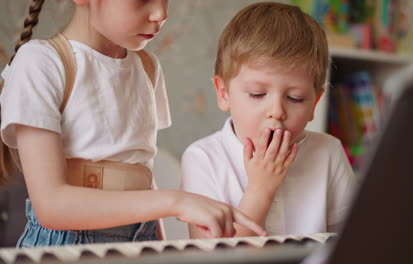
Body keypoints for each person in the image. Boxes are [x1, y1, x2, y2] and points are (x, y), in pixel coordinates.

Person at [0, 0, 265, 247]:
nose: (161, 14)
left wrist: (161, 247)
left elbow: (142, 175)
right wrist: (177, 202)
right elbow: (51, 206)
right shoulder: (41, 62)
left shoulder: (147, 67)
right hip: (66, 247)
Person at [181, 2, 355, 238]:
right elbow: (215, 258)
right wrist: (261, 189)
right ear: (224, 94)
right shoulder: (203, 158)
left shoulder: (328, 152)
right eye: (257, 94)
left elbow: (351, 243)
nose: (276, 111)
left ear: (315, 103)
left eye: (295, 98)